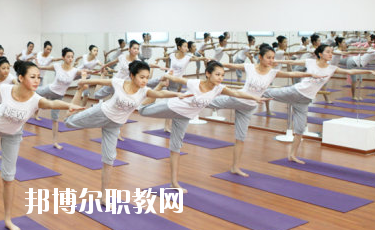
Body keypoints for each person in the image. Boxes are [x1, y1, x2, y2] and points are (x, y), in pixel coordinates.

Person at [0, 60, 83, 230]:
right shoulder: (7, 89)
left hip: (13, 134)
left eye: (38, 77)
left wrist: (69, 105)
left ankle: (8, 219)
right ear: (21, 78)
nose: (37, 80)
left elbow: (52, 104)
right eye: (33, 77)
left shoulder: (36, 99)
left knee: (8, 177)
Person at [65, 61, 188, 205]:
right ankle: (78, 93)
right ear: (132, 75)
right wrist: (83, 82)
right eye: (142, 77)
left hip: (115, 125)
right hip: (101, 113)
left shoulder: (144, 91)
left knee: (109, 159)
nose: (145, 81)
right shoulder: (119, 83)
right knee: (68, 122)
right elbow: (101, 81)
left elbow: (160, 93)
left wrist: (177, 94)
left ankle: (104, 197)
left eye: (147, 77)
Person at [138, 61, 267, 192]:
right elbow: (178, 79)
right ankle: (159, 87)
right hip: (172, 107)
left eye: (222, 75)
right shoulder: (195, 83)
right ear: (208, 74)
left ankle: (174, 183)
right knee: (142, 110)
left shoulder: (219, 88)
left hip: (184, 117)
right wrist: (166, 77)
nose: (220, 78)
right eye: (217, 74)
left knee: (176, 148)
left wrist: (255, 98)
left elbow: (237, 93)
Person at [210, 45, 320, 177]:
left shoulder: (272, 72)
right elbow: (231, 65)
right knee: (206, 102)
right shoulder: (250, 67)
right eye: (268, 57)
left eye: (273, 58)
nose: (271, 60)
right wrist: (214, 62)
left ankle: (235, 167)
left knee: (240, 139)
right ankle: (190, 98)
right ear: (260, 57)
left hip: (249, 108)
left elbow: (292, 74)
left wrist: (310, 74)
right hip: (238, 99)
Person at [269, 45, 375, 164]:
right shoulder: (310, 62)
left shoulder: (332, 68)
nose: (331, 54)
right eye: (328, 52)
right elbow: (291, 62)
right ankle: (253, 92)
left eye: (331, 52)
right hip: (296, 91)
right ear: (320, 54)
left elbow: (350, 71)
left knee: (299, 130)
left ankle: (292, 155)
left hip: (305, 101)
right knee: (268, 93)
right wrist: (275, 61)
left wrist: (368, 71)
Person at [36, 48, 88, 149]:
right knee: (35, 91)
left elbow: (85, 73)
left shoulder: (74, 71)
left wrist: (87, 74)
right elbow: (42, 67)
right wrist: (37, 64)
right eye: (68, 56)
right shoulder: (57, 66)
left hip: (59, 96)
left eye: (72, 57)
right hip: (49, 90)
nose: (70, 59)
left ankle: (55, 142)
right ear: (63, 57)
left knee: (55, 119)